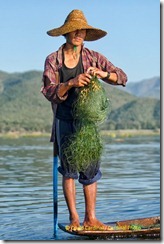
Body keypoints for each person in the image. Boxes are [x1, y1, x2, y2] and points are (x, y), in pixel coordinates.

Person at [41, 9, 128, 230]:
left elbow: (122, 77)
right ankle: (75, 219)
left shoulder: (94, 57)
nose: (79, 33)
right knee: (68, 170)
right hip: (65, 119)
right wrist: (71, 83)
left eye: (82, 30)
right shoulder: (54, 60)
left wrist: (103, 74)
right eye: (74, 29)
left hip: (86, 124)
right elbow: (49, 90)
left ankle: (91, 218)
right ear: (67, 33)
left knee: (90, 170)